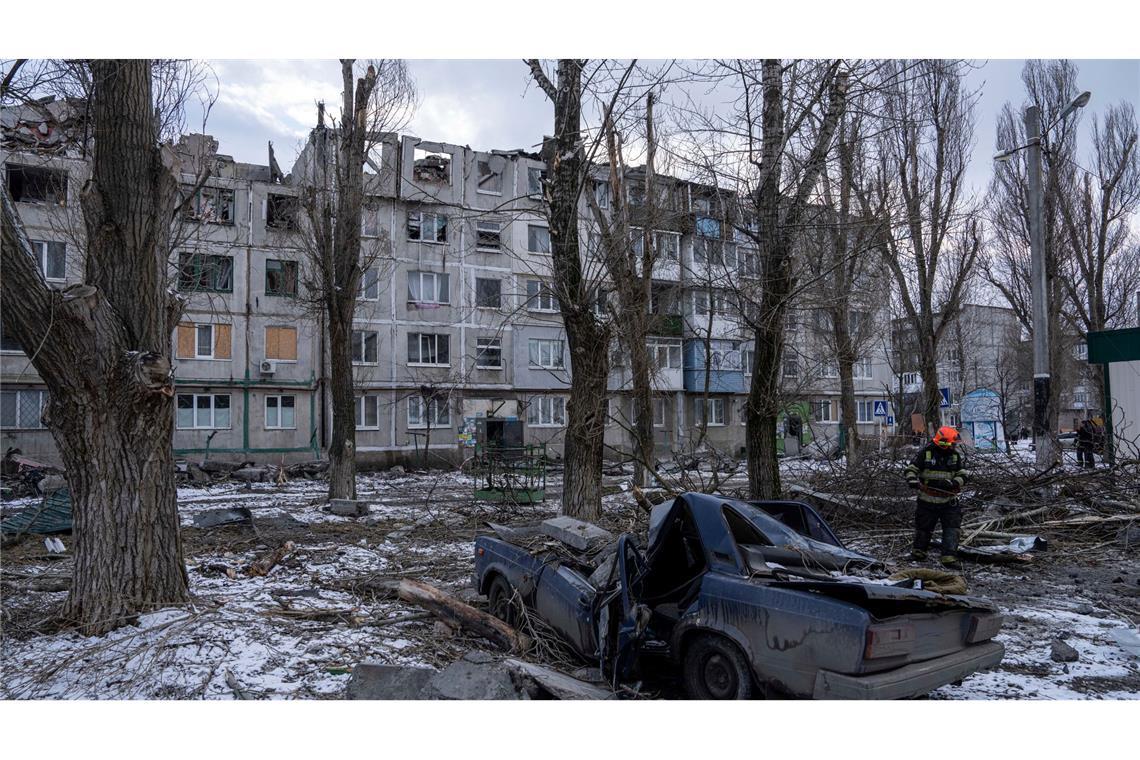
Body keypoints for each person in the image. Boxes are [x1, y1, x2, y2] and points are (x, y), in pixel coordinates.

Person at [904, 426, 969, 566]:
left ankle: (949, 557)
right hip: (927, 500)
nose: (954, 445)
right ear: (944, 443)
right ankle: (918, 553)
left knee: (952, 527)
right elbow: (911, 469)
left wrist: (954, 483)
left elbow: (963, 473)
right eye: (953, 443)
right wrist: (912, 480)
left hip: (949, 501)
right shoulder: (925, 453)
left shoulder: (955, 456)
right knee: (923, 527)